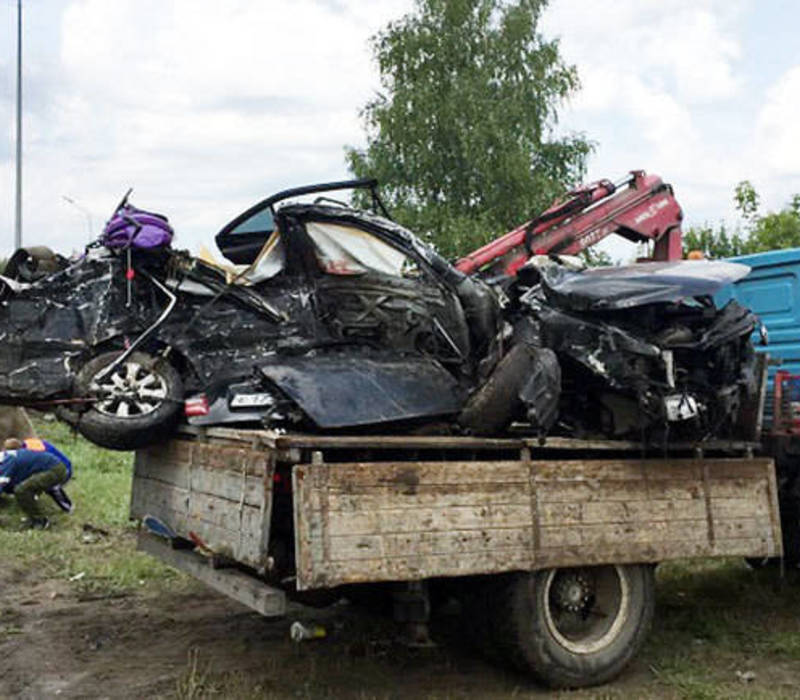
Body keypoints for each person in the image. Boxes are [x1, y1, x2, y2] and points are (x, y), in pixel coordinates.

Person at [0, 439, 71, 529]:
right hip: (50, 467)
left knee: (22, 490)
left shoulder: (8, 459)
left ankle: (41, 521)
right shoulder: (9, 456)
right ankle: (33, 518)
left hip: (54, 469)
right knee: (22, 488)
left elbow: (2, 483)